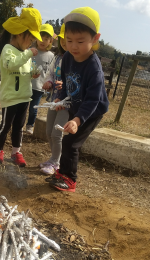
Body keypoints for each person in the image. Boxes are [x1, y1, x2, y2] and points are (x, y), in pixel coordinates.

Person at [47, 7, 109, 192]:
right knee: (67, 140)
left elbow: (93, 99)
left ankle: (70, 180)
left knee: (71, 143)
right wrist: (61, 100)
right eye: (69, 40)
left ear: (95, 39)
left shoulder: (94, 68)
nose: (73, 46)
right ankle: (62, 173)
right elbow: (65, 83)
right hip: (76, 105)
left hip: (91, 111)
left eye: (80, 41)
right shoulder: (67, 58)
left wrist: (77, 119)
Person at [0, 8, 42, 167]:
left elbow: (25, 69)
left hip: (24, 96)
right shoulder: (8, 50)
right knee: (5, 125)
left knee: (19, 127)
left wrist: (33, 73)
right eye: (30, 39)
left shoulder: (25, 53)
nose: (31, 43)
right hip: (11, 97)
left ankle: (16, 152)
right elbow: (10, 65)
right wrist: (27, 54)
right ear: (20, 33)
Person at [39, 31, 69, 175]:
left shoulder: (75, 60)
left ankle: (56, 163)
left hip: (66, 103)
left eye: (67, 39)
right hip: (53, 99)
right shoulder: (57, 57)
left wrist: (65, 86)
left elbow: (77, 81)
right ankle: (53, 158)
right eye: (62, 39)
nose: (64, 42)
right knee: (49, 131)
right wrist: (49, 82)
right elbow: (50, 73)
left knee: (57, 133)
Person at [26, 24, 55, 134]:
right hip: (26, 84)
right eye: (41, 38)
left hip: (38, 87)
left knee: (33, 108)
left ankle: (30, 125)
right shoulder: (31, 51)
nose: (43, 41)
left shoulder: (51, 56)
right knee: (22, 107)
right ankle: (18, 124)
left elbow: (51, 72)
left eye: (46, 39)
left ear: (50, 41)